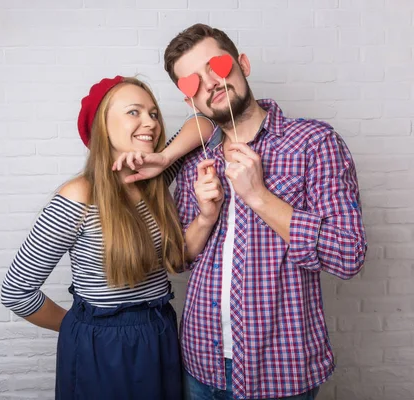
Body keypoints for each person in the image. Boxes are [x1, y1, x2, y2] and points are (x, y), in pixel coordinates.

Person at [114, 24, 368, 400]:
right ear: (189, 101)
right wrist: (205, 216)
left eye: (216, 65)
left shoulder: (314, 143)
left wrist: (260, 196)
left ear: (242, 63)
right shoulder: (194, 160)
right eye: (192, 83)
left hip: (283, 366)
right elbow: (180, 260)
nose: (211, 83)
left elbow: (348, 255)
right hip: (203, 365)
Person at [0, 75, 214, 400]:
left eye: (153, 113)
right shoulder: (78, 196)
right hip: (103, 347)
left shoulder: (153, 181)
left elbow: (204, 123)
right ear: (103, 124)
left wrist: (166, 159)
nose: (150, 123)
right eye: (134, 112)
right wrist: (83, 331)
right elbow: (16, 292)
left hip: (161, 333)